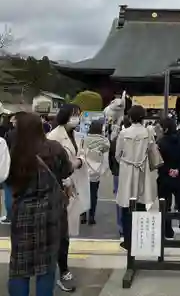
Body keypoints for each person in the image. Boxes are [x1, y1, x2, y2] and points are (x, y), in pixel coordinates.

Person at [7, 113, 73, 296]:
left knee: (20, 267)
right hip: (50, 213)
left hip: (22, 215)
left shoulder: (14, 153)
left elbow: (7, 182)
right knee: (46, 267)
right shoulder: (54, 148)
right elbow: (66, 171)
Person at [48, 104, 90, 293]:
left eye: (78, 115)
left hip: (73, 186)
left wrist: (79, 161)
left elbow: (81, 155)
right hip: (63, 188)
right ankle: (62, 270)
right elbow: (54, 165)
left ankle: (62, 268)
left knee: (65, 233)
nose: (77, 118)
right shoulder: (54, 137)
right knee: (61, 233)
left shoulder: (76, 135)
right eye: (74, 115)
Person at [115, 105, 158, 251]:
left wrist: (125, 161)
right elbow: (152, 152)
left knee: (126, 205)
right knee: (141, 203)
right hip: (142, 170)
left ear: (131, 117)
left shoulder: (123, 133)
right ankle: (141, 240)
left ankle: (127, 241)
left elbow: (117, 155)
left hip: (127, 170)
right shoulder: (148, 133)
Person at [158, 118, 180, 238]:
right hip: (179, 177)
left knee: (165, 204)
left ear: (165, 129)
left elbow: (158, 161)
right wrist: (179, 170)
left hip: (165, 178)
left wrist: (167, 170)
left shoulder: (161, 143)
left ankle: (168, 231)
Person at [82, 120, 110, 225]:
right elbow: (106, 150)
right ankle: (92, 216)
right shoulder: (104, 141)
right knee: (93, 194)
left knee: (84, 193)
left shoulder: (84, 139)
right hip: (96, 171)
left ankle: (83, 215)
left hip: (85, 169)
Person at [109, 116, 131, 238]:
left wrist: (114, 171)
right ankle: (131, 225)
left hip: (118, 173)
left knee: (120, 200)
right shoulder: (140, 137)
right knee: (133, 198)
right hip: (133, 173)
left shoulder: (116, 139)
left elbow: (112, 157)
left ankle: (121, 226)